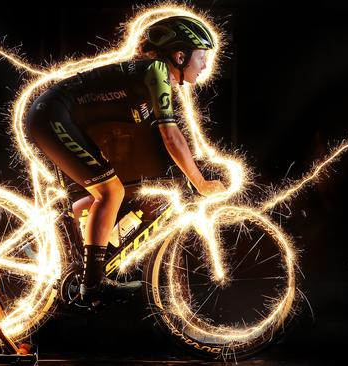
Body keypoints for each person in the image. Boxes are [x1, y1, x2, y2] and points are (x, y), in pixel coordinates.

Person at [24, 16, 225, 302]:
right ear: (180, 56)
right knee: (111, 191)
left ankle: (64, 258)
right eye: (202, 57)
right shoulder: (156, 71)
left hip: (62, 119)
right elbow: (171, 137)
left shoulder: (150, 81)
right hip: (52, 116)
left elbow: (154, 141)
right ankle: (91, 285)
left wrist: (187, 169)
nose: (206, 65)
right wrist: (200, 182)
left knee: (107, 193)